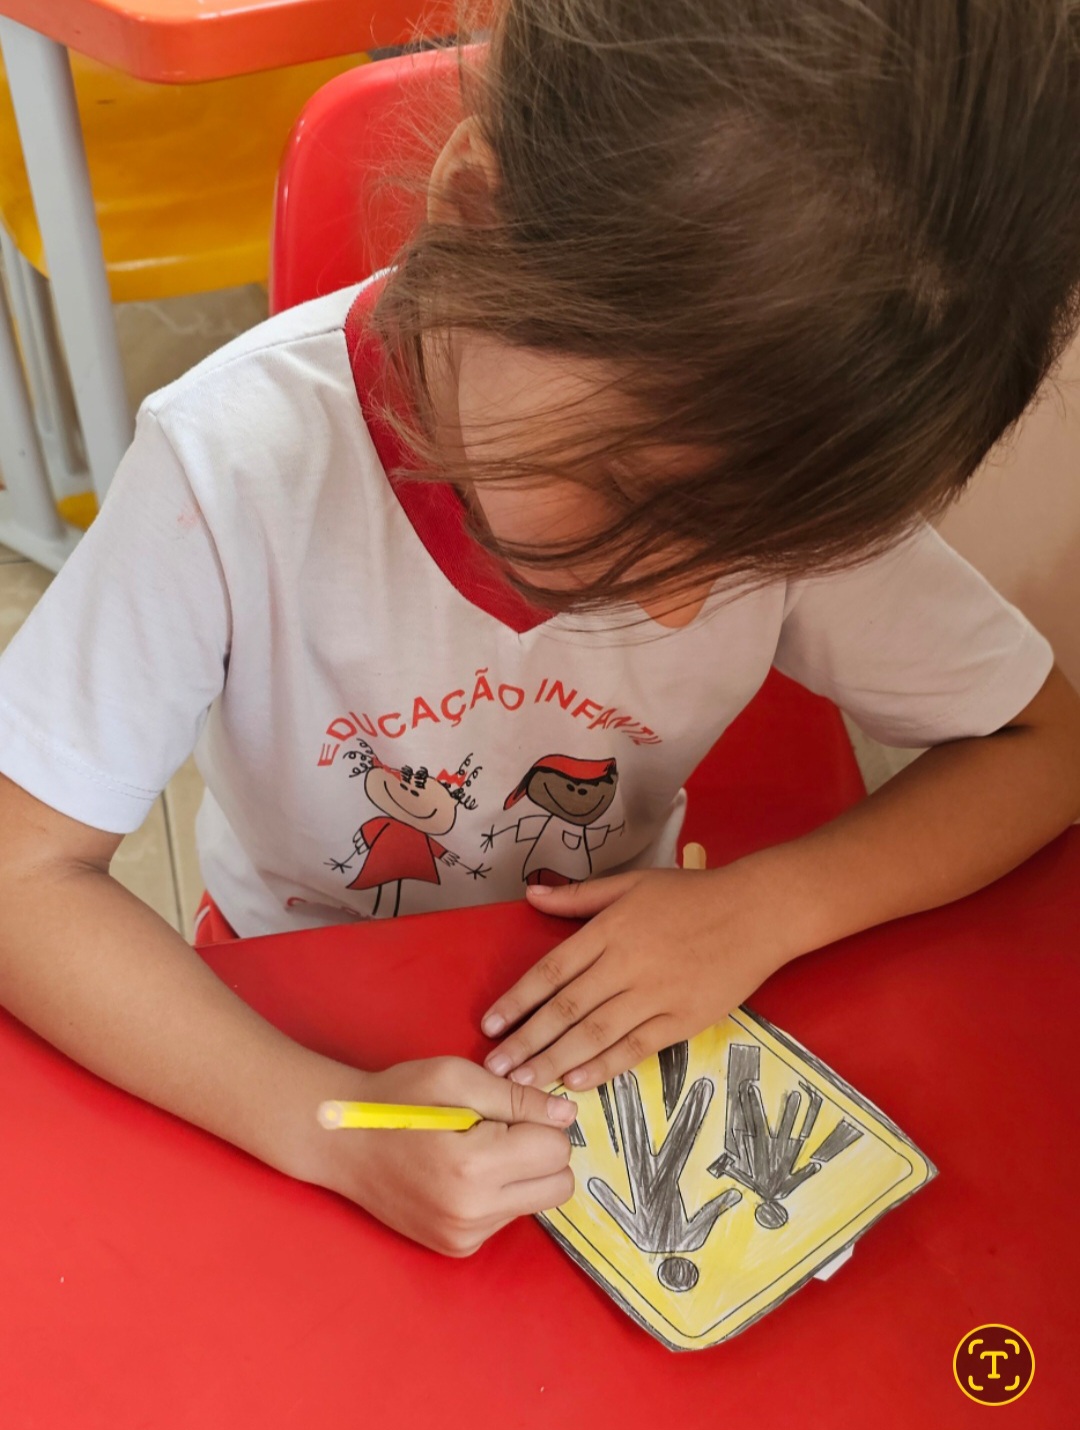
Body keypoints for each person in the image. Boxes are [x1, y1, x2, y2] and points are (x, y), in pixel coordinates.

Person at [2, 0, 1080, 1258]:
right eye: (626, 489)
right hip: (286, 1026)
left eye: (763, 557)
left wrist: (772, 905)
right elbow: (22, 872)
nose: (681, 604)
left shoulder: (777, 455)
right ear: (474, 212)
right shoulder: (229, 467)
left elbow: (1045, 744)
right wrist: (319, 1122)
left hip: (613, 1005)